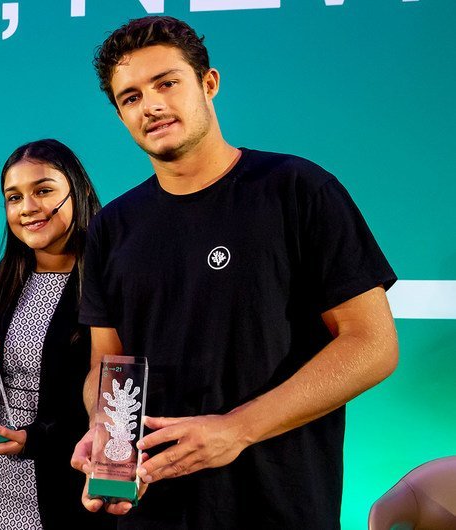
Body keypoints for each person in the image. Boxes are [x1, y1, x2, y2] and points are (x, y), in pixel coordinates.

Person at [71, 16, 399, 529]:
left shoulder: (296, 189)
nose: (151, 105)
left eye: (166, 83)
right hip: (152, 509)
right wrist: (105, 431)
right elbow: (105, 364)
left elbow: (372, 345)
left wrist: (236, 430)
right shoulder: (112, 226)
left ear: (208, 83)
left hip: (277, 504)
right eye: (130, 97)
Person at [0, 139, 113, 530]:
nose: (28, 208)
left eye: (43, 191)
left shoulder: (107, 282)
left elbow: (114, 393)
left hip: (69, 487)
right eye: (14, 197)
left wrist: (34, 440)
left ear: (78, 190)